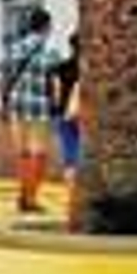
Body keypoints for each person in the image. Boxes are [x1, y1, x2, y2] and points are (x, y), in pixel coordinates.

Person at [0, 5, 60, 213]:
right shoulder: (51, 51)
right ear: (47, 27)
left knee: (22, 153)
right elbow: (56, 82)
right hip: (39, 106)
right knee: (38, 153)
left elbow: (3, 77)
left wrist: (4, 104)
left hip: (16, 104)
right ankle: (30, 197)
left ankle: (24, 194)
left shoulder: (14, 48)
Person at [53, 31, 82, 202]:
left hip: (64, 115)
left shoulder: (61, 67)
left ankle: (72, 196)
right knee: (84, 157)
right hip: (86, 117)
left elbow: (56, 94)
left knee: (70, 156)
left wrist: (60, 110)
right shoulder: (95, 68)